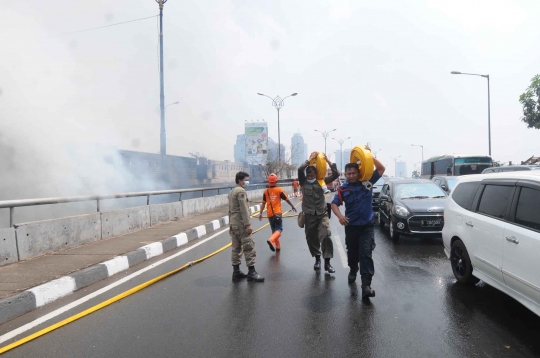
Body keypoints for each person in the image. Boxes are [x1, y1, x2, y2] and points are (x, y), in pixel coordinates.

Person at [331, 146, 385, 298]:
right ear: (345, 174)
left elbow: (381, 168)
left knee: (366, 254)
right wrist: (340, 217)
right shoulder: (343, 189)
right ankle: (353, 269)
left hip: (367, 226)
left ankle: (366, 286)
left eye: (354, 172)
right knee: (353, 254)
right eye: (348, 173)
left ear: (359, 172)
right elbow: (334, 204)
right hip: (351, 227)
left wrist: (369, 155)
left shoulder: (367, 182)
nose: (351, 175)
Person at [298, 152, 339, 273]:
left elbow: (336, 174)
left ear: (316, 174)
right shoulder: (303, 182)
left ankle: (327, 263)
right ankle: (317, 259)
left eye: (312, 175)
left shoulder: (322, 181)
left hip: (322, 214)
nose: (311, 177)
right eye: (309, 175)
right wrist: (309, 160)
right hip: (309, 215)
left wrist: (328, 161)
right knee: (311, 238)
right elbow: (300, 169)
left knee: (326, 235)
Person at [228, 171, 264, 282]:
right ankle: (252, 272)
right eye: (245, 180)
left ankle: (236, 271)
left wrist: (230, 225)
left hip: (234, 223)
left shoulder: (232, 191)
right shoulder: (241, 192)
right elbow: (243, 209)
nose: (247, 182)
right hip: (241, 224)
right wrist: (248, 224)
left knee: (236, 247)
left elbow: (230, 210)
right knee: (249, 246)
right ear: (239, 180)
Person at [259, 173, 297, 252]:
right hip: (277, 213)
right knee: (279, 229)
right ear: (276, 181)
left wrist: (260, 213)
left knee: (274, 231)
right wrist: (292, 206)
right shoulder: (279, 190)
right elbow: (286, 199)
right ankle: (271, 240)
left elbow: (263, 203)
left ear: (268, 181)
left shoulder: (266, 191)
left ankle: (278, 247)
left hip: (269, 214)